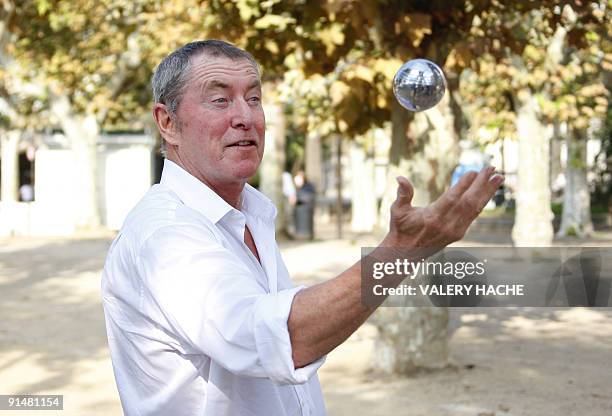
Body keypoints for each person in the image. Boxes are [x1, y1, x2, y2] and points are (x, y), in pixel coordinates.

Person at [101, 39, 503, 416]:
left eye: (254, 98)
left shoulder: (248, 214)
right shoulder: (164, 234)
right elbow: (284, 338)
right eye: (220, 99)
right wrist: (399, 253)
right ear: (167, 122)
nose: (244, 117)